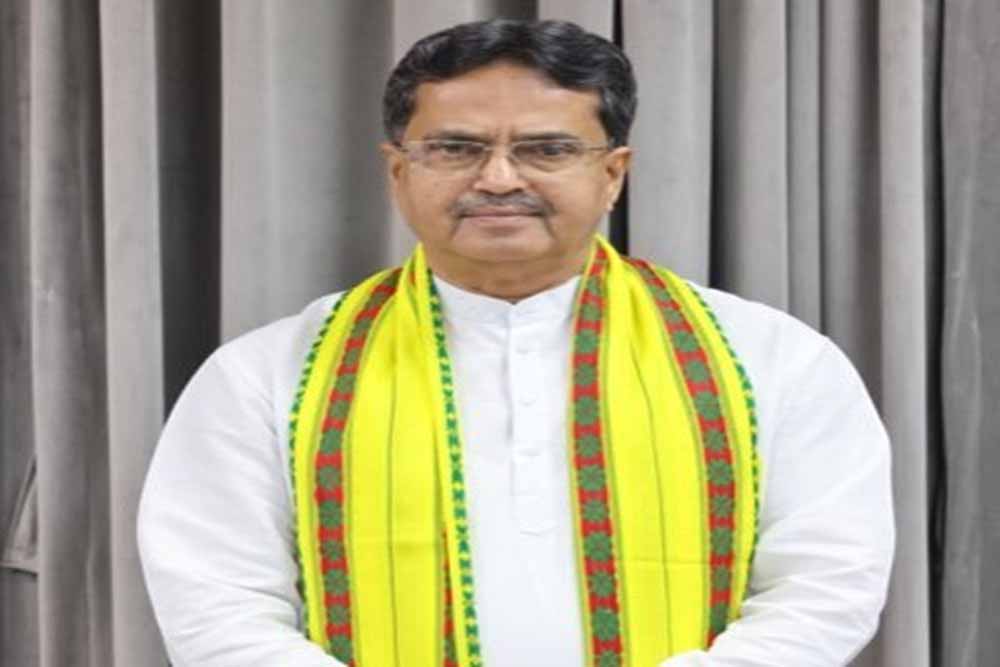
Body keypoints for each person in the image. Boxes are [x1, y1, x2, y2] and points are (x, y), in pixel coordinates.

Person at [138, 18, 894, 667]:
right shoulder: (270, 374)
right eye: (454, 148)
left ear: (613, 174)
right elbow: (217, 601)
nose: (498, 178)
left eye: (547, 149)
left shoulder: (768, 360)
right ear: (398, 172)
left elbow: (828, 583)